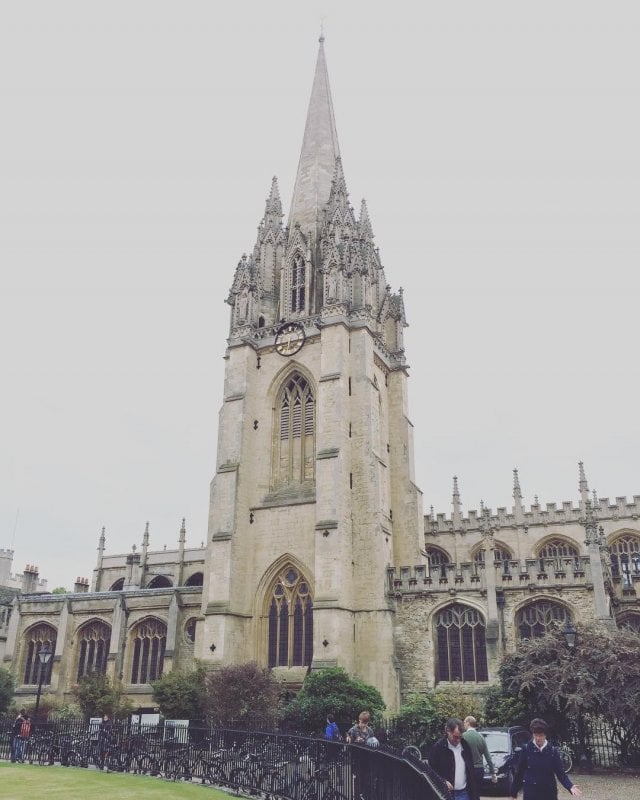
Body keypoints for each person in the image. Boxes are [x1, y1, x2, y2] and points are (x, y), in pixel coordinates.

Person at [511, 718, 582, 800]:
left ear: (545, 735)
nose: (538, 738)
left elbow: (560, 773)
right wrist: (514, 791)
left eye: (540, 735)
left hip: (549, 793)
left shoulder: (552, 751)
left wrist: (570, 786)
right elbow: (520, 772)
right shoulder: (526, 749)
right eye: (535, 735)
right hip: (531, 793)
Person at [429, 718, 479, 800]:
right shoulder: (438, 748)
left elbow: (471, 771)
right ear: (448, 731)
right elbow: (431, 770)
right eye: (455, 737)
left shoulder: (465, 746)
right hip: (444, 794)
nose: (458, 740)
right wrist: (443, 781)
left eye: (460, 737)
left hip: (464, 793)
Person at [463, 715, 497, 789]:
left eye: (464, 722)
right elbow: (487, 756)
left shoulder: (463, 736)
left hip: (467, 769)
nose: (464, 724)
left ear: (468, 723)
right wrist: (493, 773)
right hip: (479, 769)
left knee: (468, 792)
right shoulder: (481, 737)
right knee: (477, 792)